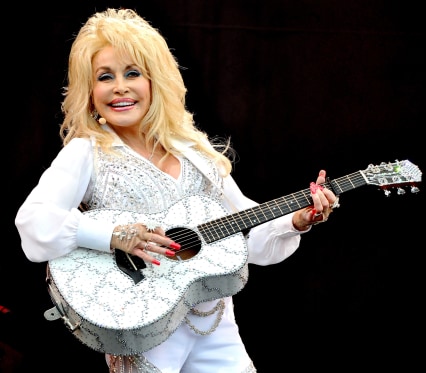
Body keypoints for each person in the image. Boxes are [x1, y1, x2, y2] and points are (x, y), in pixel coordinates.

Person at [14, 8, 339, 373]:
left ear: (156, 81)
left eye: (132, 73)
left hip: (214, 321)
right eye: (105, 77)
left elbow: (246, 231)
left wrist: (296, 220)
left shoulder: (195, 152)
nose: (120, 86)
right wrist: (115, 236)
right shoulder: (88, 151)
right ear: (90, 93)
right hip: (141, 325)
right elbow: (34, 221)